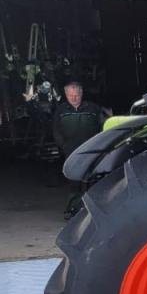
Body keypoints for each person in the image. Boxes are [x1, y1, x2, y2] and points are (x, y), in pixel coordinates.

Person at [49, 81, 108, 218]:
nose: (74, 98)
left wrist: (100, 145)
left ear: (81, 94)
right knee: (74, 180)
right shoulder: (61, 111)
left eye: (76, 95)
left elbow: (104, 126)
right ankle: (73, 210)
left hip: (92, 150)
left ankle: (91, 211)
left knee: (90, 180)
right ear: (66, 95)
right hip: (71, 151)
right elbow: (56, 131)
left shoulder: (93, 109)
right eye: (70, 95)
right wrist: (63, 145)